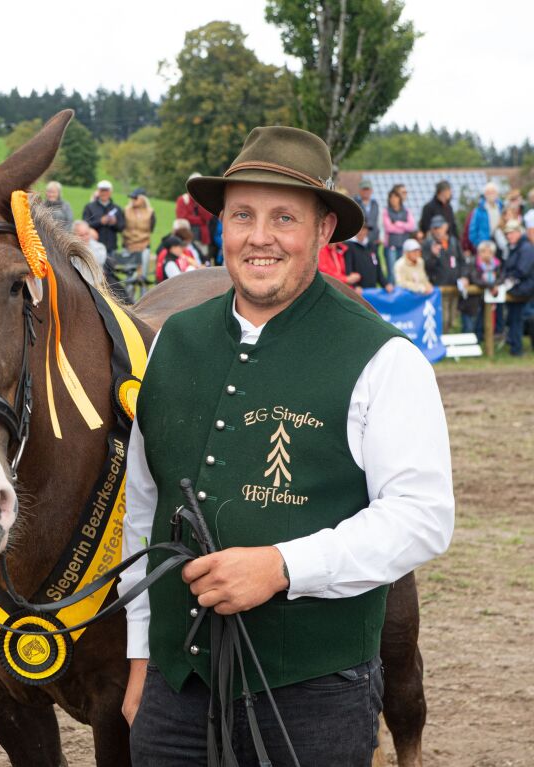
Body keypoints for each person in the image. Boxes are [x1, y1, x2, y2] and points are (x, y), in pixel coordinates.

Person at [119, 125, 453, 767]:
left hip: (315, 700)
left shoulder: (383, 357)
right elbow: (144, 510)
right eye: (242, 214)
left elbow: (423, 516)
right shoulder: (171, 343)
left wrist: (283, 566)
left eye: (283, 217)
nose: (259, 236)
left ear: (324, 229)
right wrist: (139, 658)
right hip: (172, 693)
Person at [422, 215, 464, 330]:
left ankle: (448, 342)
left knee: (452, 319)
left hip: (455, 287)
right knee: (443, 320)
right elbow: (426, 267)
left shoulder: (454, 241)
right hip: (439, 289)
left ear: (446, 227)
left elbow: (462, 261)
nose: (437, 231)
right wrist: (433, 256)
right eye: (434, 228)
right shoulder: (427, 244)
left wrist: (464, 277)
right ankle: (443, 344)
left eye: (439, 227)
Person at [502, 219, 534, 356]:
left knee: (519, 318)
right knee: (514, 318)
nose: (509, 236)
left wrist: (509, 280)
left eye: (511, 233)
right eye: (507, 233)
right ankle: (516, 347)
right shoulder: (513, 248)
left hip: (524, 289)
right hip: (517, 288)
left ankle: (517, 348)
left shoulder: (525, 248)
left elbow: (522, 270)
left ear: (518, 232)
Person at [459, 241, 500, 341]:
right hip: (470, 301)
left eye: (489, 252)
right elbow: (474, 279)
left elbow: (501, 277)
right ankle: (466, 346)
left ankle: (478, 344)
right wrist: (491, 285)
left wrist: (493, 285)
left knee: (480, 325)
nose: (486, 254)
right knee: (468, 326)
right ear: (479, 252)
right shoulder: (471, 263)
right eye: (483, 251)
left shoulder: (496, 265)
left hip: (484, 301)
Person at [82, 180, 126, 256]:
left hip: (111, 248)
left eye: (106, 191)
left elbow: (122, 227)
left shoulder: (117, 208)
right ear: (98, 191)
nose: (104, 193)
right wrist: (100, 222)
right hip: (93, 248)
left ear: (110, 192)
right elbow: (85, 225)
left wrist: (114, 223)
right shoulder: (89, 207)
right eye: (102, 190)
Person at [382, 187, 415, 285]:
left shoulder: (406, 211)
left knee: (403, 269)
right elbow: (389, 228)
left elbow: (411, 226)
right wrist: (403, 227)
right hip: (391, 246)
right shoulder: (386, 211)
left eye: (395, 197)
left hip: (403, 245)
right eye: (391, 198)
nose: (393, 200)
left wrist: (398, 223)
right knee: (392, 270)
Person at [345, 223, 392, 292]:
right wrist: (355, 286)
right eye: (359, 229)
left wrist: (385, 284)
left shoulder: (372, 246)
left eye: (364, 229)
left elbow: (378, 267)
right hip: (358, 290)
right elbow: (348, 267)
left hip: (372, 288)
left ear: (367, 231)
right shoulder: (349, 246)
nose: (361, 232)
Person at [122, 188, 157, 279]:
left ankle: (144, 293)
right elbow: (122, 226)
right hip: (129, 246)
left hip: (144, 246)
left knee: (143, 277)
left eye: (135, 198)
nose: (133, 200)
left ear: (143, 199)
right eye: (132, 198)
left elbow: (151, 229)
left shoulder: (150, 212)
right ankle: (129, 294)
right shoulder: (126, 211)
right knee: (129, 277)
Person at [175, 181, 212, 247]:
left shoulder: (204, 200)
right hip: (185, 236)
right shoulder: (183, 199)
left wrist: (200, 202)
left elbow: (208, 217)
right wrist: (200, 220)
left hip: (202, 237)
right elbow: (182, 218)